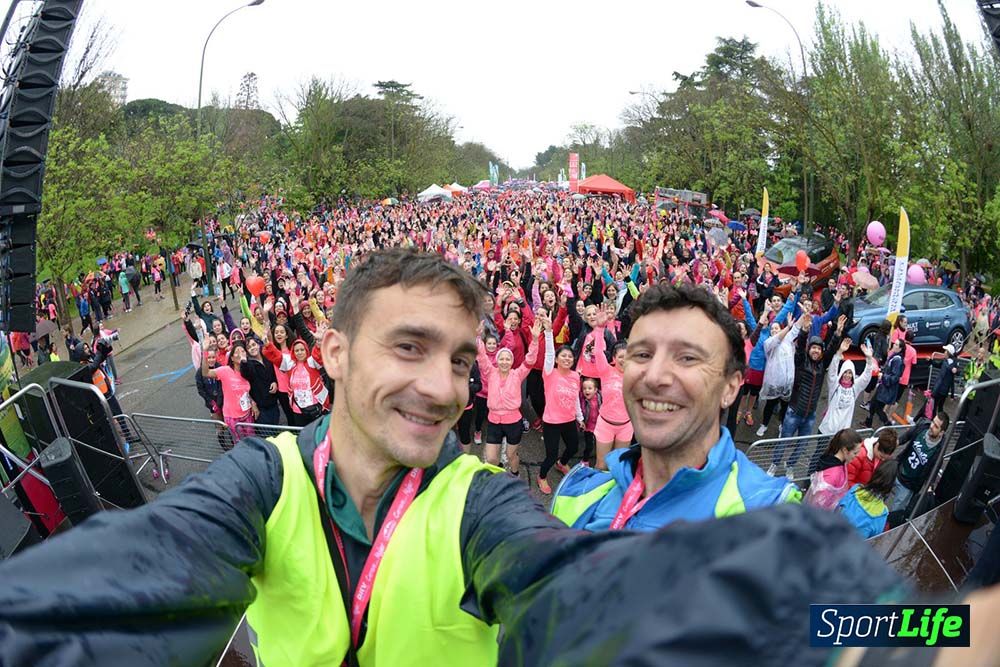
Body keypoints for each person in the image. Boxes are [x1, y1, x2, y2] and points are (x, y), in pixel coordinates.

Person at [552, 283, 801, 531]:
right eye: (642, 354)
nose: (654, 376)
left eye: (687, 358)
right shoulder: (577, 495)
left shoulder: (771, 519)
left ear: (730, 387)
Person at [476, 320, 539, 475]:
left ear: (511, 362)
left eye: (507, 359)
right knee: (491, 458)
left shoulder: (518, 374)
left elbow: (530, 360)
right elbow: (481, 356)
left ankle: (515, 473)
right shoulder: (490, 372)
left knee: (511, 455)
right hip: (494, 421)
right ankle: (498, 471)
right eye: (501, 359)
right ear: (497, 360)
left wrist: (535, 340)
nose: (504, 361)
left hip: (513, 422)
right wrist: (477, 337)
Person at [537, 314, 583, 494]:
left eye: (570, 357)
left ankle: (561, 464)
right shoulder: (550, 372)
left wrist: (579, 416)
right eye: (563, 356)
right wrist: (548, 332)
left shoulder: (575, 376)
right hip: (551, 422)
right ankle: (541, 476)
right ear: (557, 360)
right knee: (550, 454)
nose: (567, 359)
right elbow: (549, 352)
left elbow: (576, 398)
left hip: (569, 420)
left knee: (572, 447)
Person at [588, 307, 632, 470]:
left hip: (626, 426)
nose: (624, 360)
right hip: (605, 424)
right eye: (620, 357)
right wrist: (599, 328)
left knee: (618, 466)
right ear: (614, 358)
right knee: (602, 465)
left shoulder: (635, 376)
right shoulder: (606, 371)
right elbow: (599, 352)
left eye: (628, 357)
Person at [893, 411, 950, 513]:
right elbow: (905, 437)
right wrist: (892, 443)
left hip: (909, 485)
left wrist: (929, 487)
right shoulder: (923, 427)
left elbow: (933, 472)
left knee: (895, 511)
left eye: (936, 426)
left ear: (941, 432)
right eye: (933, 422)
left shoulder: (939, 451)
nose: (932, 426)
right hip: (898, 468)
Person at [818, 337, 874, 435]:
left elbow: (866, 377)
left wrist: (869, 359)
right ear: (841, 372)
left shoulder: (855, 388)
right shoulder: (835, 384)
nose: (847, 375)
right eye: (845, 372)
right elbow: (832, 371)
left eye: (850, 373)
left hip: (842, 434)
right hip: (826, 430)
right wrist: (839, 352)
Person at [803, 429, 862, 510]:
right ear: (845, 450)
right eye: (855, 453)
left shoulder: (833, 460)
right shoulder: (833, 475)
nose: (857, 456)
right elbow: (818, 504)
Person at [837, 460, 898, 538]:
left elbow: (838, 507)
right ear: (891, 485)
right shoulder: (882, 514)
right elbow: (873, 539)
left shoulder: (856, 489)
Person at [865, 338, 903, 428]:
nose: (894, 345)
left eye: (897, 345)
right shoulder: (894, 356)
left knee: (878, 408)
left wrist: (883, 376)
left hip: (886, 389)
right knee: (873, 405)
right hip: (883, 387)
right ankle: (868, 423)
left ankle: (887, 424)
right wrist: (880, 370)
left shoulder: (898, 360)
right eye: (895, 343)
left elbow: (895, 377)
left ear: (900, 348)